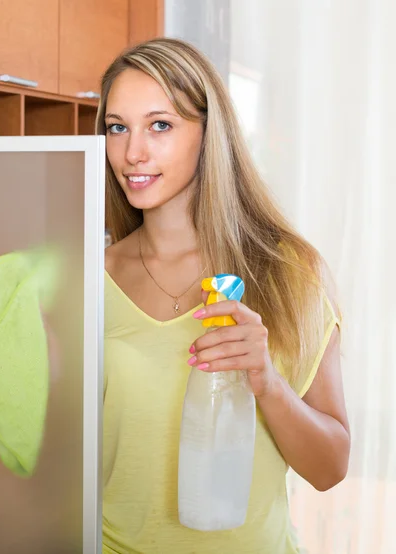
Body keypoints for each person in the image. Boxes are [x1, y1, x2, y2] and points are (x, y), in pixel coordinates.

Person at [97, 37, 350, 554]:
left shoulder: (288, 273)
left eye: (159, 125)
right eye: (117, 127)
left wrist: (267, 382)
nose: (132, 152)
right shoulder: (90, 276)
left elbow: (330, 469)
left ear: (210, 134)